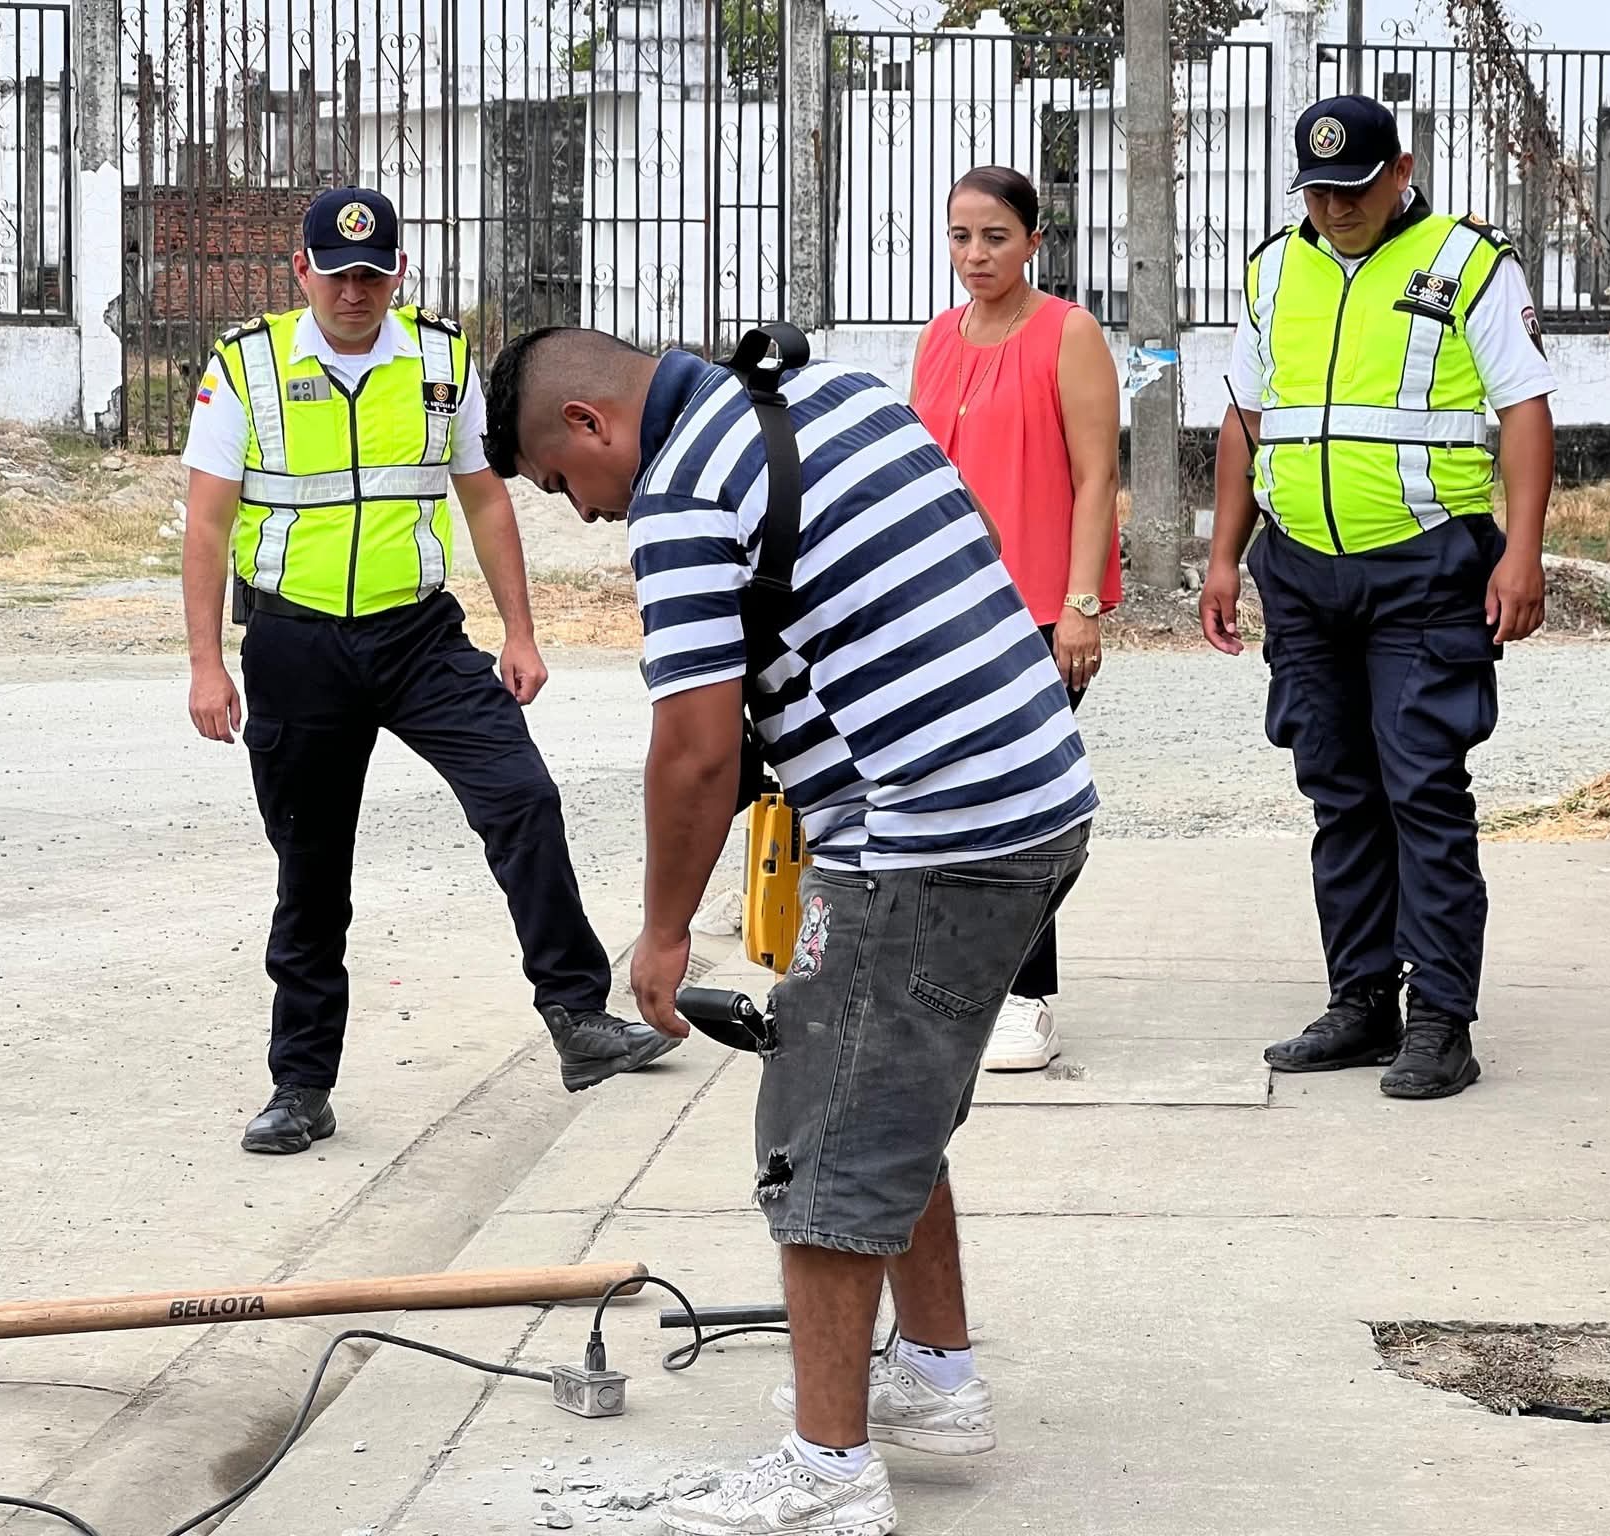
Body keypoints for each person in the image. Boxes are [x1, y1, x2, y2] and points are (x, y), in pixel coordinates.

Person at [483, 325, 1096, 1536]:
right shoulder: (837, 395)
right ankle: (934, 1379)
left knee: (822, 1136)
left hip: (922, 840)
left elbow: (695, 749)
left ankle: (827, 1473)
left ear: (589, 423)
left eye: (562, 484)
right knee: (889, 1105)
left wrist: (661, 934)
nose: (585, 513)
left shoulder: (682, 496)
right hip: (1032, 800)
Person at [180, 187, 676, 1156]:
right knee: (312, 874)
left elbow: (484, 500)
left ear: (398, 273)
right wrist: (206, 665)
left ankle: (578, 1018)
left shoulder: (440, 359)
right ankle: (300, 1087)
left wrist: (520, 633)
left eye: (372, 275)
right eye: (336, 274)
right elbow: (206, 522)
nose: (353, 292)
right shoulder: (247, 366)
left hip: (417, 638)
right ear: (302, 270)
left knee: (521, 795)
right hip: (295, 645)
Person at [1201, 95, 1556, 1101]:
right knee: (1338, 791)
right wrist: (1222, 558)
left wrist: (1521, 554)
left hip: (1425, 569)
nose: (1336, 207)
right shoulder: (1274, 269)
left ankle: (1441, 1019)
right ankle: (1360, 1002)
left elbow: (1525, 411)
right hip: (1301, 571)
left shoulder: (1467, 262)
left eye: (1354, 187)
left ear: (1400, 173)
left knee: (1422, 791)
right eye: (1317, 192)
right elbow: (1244, 419)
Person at [910, 164, 1121, 1074]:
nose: (976, 254)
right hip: (940, 608)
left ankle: (1026, 994)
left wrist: (1081, 605)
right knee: (943, 798)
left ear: (1034, 241)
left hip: (1037, 611)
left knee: (1017, 801)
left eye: (995, 237)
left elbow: (1096, 477)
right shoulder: (936, 337)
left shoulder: (1067, 332)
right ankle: (955, 986)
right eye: (961, 237)